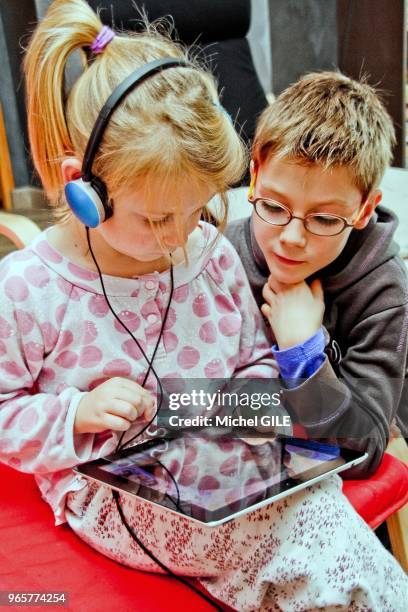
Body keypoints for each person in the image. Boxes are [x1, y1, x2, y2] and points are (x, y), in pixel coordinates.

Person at [0, 2, 406, 609]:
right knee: (278, 557)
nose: (180, 236)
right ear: (83, 189)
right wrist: (77, 411)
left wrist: (244, 404)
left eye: (198, 209)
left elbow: (251, 359)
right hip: (117, 490)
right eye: (159, 217)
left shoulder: (207, 249)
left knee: (328, 528)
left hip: (235, 471)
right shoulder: (26, 290)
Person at [226, 71, 408, 479]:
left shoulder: (385, 290)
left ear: (364, 209)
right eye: (273, 207)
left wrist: (303, 352)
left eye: (324, 218)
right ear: (254, 177)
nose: (291, 239)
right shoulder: (221, 254)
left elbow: (366, 448)